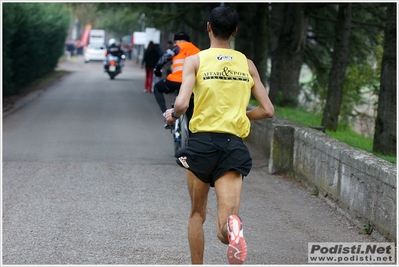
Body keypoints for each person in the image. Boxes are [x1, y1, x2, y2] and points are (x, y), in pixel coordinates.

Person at [164, 6, 274, 265]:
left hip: (201, 145)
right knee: (224, 227)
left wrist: (173, 115)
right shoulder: (246, 64)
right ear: (234, 32)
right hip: (233, 147)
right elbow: (268, 110)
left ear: (208, 27)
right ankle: (233, 229)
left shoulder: (196, 61)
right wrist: (240, 115)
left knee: (197, 214)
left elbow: (181, 104)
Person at [153, 32, 200, 128]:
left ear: (178, 41)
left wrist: (157, 70)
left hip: (175, 81)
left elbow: (164, 58)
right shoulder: (198, 50)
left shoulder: (177, 47)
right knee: (190, 107)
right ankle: (191, 131)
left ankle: (165, 114)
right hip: (191, 84)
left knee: (157, 88)